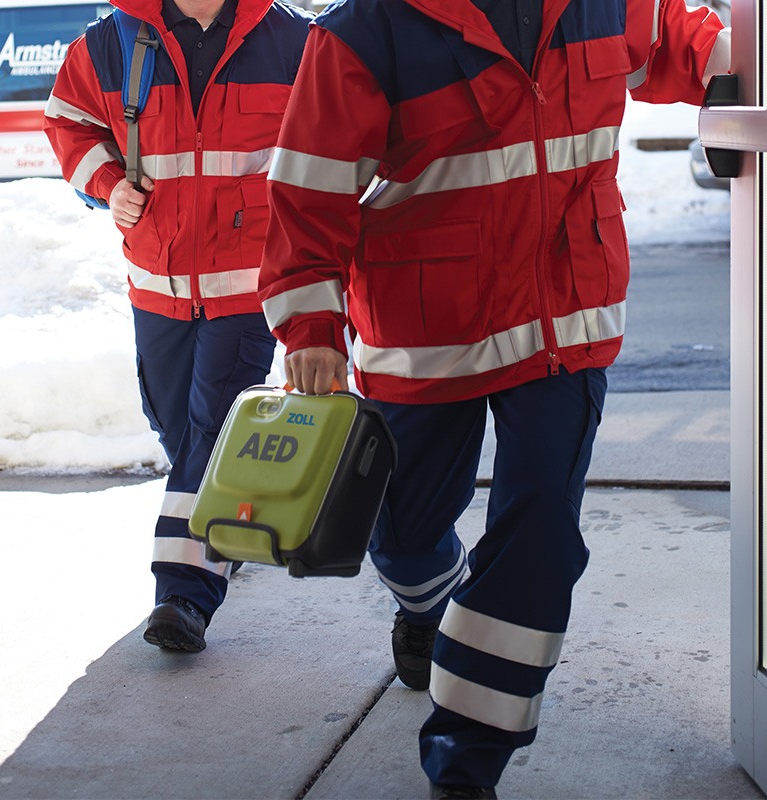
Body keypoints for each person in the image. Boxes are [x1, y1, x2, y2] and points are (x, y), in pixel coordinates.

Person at [257, 0, 730, 796]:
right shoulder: (364, 31)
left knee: (540, 531)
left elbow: (685, 43)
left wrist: (729, 56)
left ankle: (467, 757)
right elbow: (310, 189)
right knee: (402, 533)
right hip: (427, 332)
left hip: (563, 322)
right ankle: (427, 604)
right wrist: (309, 329)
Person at [44, 0, 312, 653]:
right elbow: (67, 122)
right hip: (156, 286)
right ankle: (224, 522)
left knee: (209, 431)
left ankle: (183, 595)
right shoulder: (111, 44)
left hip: (247, 288)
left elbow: (333, 143)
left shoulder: (293, 42)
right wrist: (109, 184)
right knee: (173, 421)